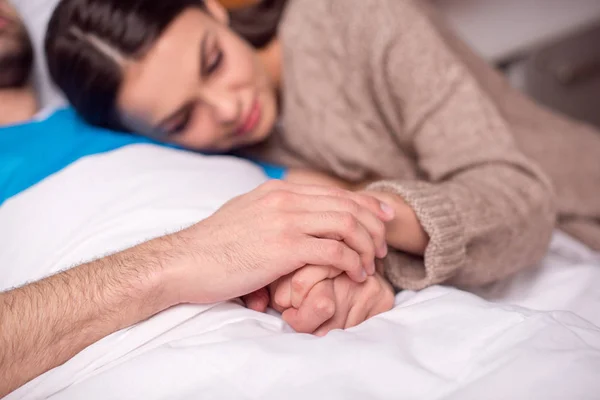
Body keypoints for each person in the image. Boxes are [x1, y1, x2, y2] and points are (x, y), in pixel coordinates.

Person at [44, 0, 600, 302]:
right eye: (183, 118)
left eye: (212, 61)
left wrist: (359, 217)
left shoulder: (357, 18)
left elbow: (521, 199)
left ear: (215, 9)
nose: (229, 108)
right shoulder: (217, 162)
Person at [0, 1, 395, 395]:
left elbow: (360, 209)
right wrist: (186, 258)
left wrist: (334, 268)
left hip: (336, 345)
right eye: (181, 119)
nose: (224, 108)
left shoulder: (127, 107)